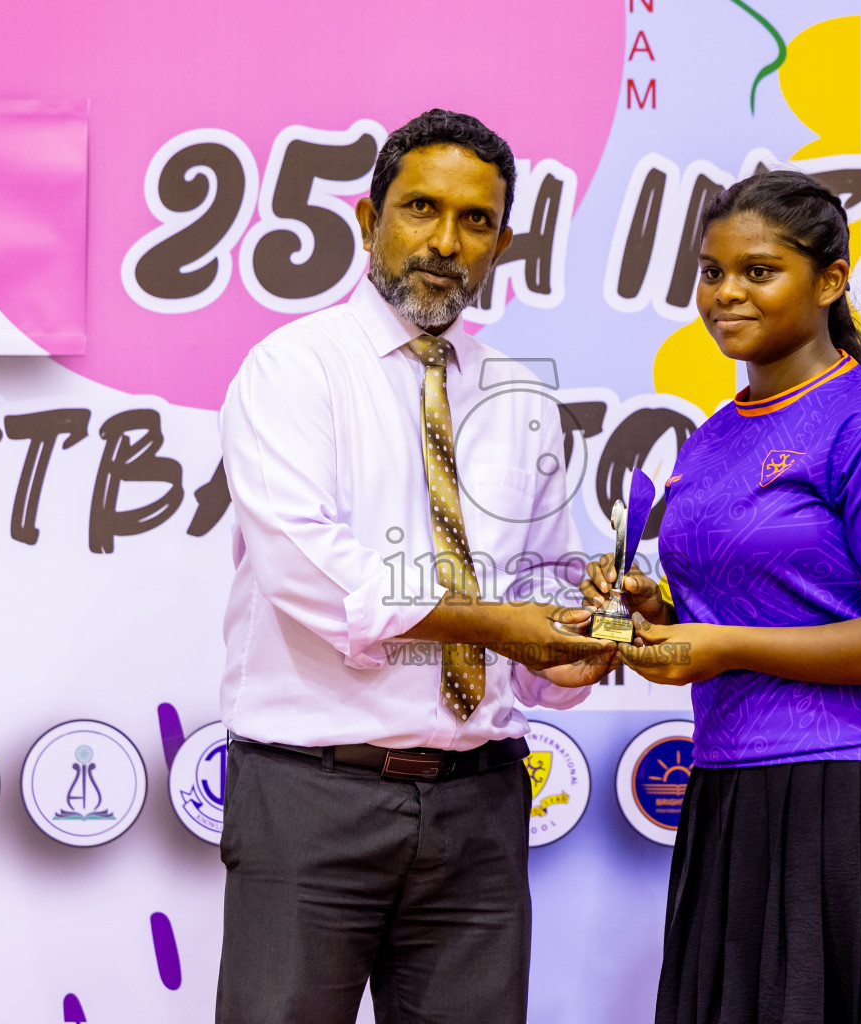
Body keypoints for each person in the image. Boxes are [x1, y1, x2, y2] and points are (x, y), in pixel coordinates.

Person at [584, 171, 861, 1023]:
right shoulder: (713, 437)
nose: (726, 295)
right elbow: (753, 610)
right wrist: (660, 616)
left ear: (830, 281)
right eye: (712, 272)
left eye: (759, 271)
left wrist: (725, 647)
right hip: (734, 794)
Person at [216, 108, 614, 1024]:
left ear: (502, 243)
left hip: (480, 802)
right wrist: (492, 623)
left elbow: (536, 587)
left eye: (475, 221)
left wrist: (577, 640)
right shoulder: (294, 368)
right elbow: (310, 571)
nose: (445, 242)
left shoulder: (521, 394)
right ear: (368, 221)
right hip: (312, 797)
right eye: (421, 209)